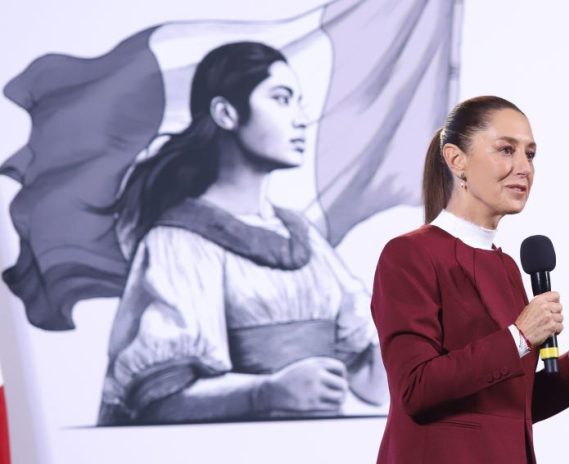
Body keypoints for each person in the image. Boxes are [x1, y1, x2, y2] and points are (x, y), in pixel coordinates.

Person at [97, 42, 387, 425]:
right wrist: (266, 392)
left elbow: (372, 382)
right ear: (226, 113)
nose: (301, 118)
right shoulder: (179, 241)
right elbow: (157, 399)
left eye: (298, 101)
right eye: (281, 99)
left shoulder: (304, 238)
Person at [370, 96, 569, 463]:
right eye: (506, 150)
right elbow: (415, 389)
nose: (523, 167)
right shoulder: (409, 254)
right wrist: (520, 336)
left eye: (531, 154)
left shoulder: (507, 267)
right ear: (456, 160)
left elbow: (511, 409)